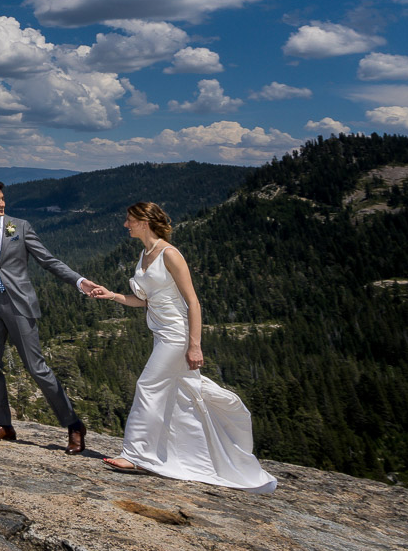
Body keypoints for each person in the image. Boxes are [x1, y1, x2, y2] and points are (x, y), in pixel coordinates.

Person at [90, 202, 276, 493]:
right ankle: (193, 456)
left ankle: (137, 457)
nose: (126, 225)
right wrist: (112, 295)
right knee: (180, 395)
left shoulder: (170, 254)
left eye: (129, 220)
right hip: (161, 334)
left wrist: (195, 345)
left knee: (147, 386)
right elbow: (145, 301)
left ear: (144, 221)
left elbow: (193, 302)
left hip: (177, 336)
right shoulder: (145, 254)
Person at [0, 179, 94, 455]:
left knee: (37, 368)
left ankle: (73, 425)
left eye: (3, 198)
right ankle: (3, 425)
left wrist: (79, 281)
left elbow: (48, 260)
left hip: (19, 304)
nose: (2, 203)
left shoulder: (19, 227)